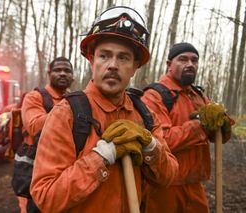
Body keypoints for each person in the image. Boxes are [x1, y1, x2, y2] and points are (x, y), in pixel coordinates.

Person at [30, 6, 178, 212]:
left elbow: (169, 176)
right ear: (91, 60)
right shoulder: (67, 113)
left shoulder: (145, 115)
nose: (113, 65)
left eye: (123, 58)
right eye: (104, 56)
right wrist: (101, 157)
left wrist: (150, 146)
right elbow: (46, 197)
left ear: (135, 66)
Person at [141, 42, 235, 212]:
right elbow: (162, 140)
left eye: (194, 60)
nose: (190, 64)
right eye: (183, 59)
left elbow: (218, 136)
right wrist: (200, 126)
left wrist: (224, 124)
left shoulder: (199, 96)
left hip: (194, 185)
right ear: (169, 65)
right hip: (164, 186)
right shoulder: (154, 96)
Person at [19, 56, 74, 213]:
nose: (63, 73)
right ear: (49, 74)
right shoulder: (34, 97)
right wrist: (66, 110)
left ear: (73, 76)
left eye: (67, 71)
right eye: (57, 70)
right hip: (38, 171)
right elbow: (35, 126)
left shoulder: (74, 99)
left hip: (67, 171)